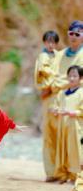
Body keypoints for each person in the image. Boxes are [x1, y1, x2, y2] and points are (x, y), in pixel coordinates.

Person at [50, 65, 83, 184]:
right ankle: (64, 174)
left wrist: (73, 112)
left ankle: (76, 175)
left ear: (80, 78)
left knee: (75, 150)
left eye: (75, 76)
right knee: (63, 149)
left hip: (76, 126)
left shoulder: (81, 93)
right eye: (70, 76)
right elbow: (56, 105)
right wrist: (54, 110)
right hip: (63, 126)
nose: (72, 78)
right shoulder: (62, 93)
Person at [34, 30, 60, 182]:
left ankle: (62, 171)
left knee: (61, 134)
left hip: (60, 97)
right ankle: (51, 171)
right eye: (48, 41)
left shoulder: (59, 56)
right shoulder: (42, 57)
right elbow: (43, 77)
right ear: (44, 42)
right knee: (49, 134)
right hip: (49, 97)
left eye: (53, 42)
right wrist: (51, 86)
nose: (51, 44)